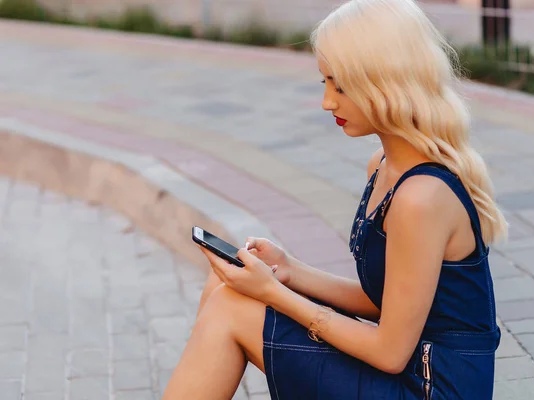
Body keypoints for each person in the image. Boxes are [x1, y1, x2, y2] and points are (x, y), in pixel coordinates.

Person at [163, 0, 508, 398]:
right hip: (407, 367)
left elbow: (391, 352)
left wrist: (273, 293)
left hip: (430, 387)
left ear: (385, 82)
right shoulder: (383, 166)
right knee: (226, 285)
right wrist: (290, 271)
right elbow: (386, 303)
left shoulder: (421, 198)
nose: (328, 102)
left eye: (341, 86)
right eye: (325, 82)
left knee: (232, 308)